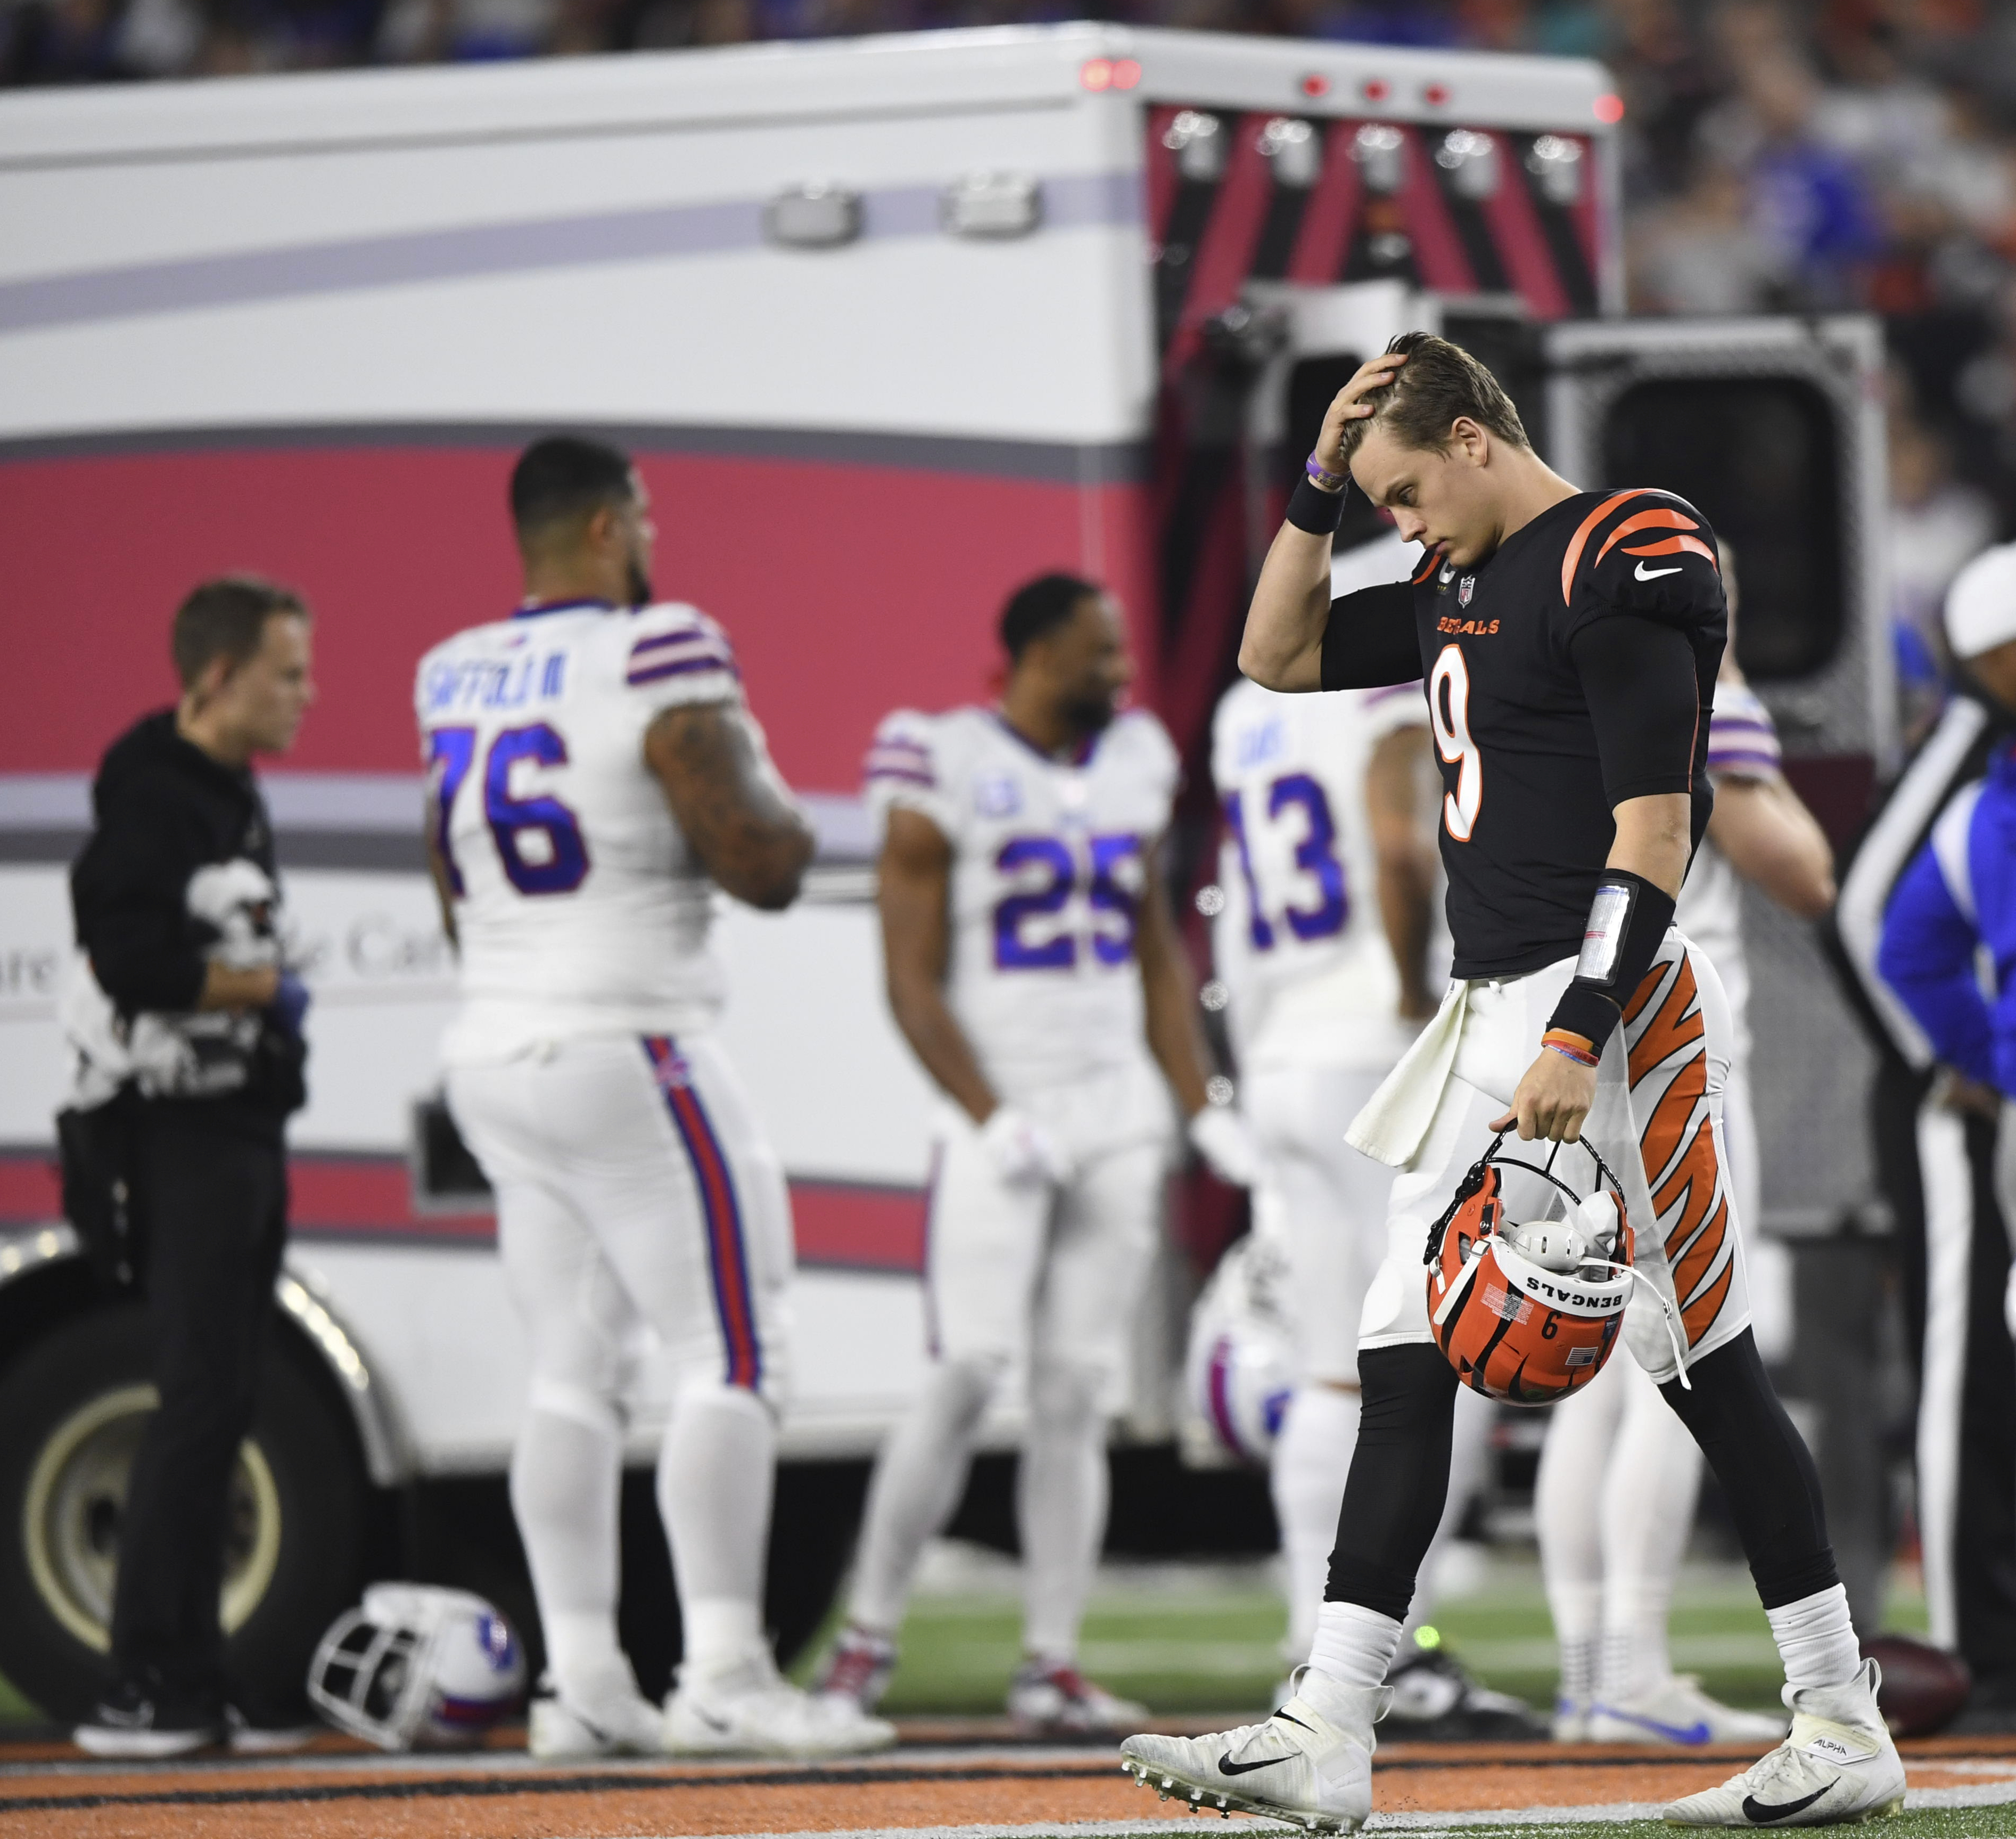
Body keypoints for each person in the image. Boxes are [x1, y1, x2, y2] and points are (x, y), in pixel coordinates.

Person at [1118, 334, 1908, 1832]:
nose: (1398, 523)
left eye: (1405, 491)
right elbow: (1271, 653)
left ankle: (1839, 1708)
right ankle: (1332, 1720)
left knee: (1704, 1362)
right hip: (1492, 1009)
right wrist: (1315, 485)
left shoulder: (1626, 548)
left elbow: (1657, 832)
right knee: (1405, 1349)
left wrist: (1578, 1026)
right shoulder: (1452, 580)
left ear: (1477, 439)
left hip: (1603, 1009)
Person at [419, 436, 888, 1761]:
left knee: (570, 1367)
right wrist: (774, 794)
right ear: (613, 528)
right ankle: (727, 1667)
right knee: (734, 1352)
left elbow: (447, 868)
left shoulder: (450, 670)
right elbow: (759, 859)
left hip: (497, 1041)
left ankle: (580, 1684)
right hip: (630, 1039)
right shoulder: (657, 647)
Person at [817, 574, 1247, 1733]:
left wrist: (1198, 1097)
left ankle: (1049, 1656)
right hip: (998, 1106)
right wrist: (984, 1108)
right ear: (1033, 654)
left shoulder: (1137, 759)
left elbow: (1154, 946)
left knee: (1075, 1390)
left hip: (1114, 1106)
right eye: (1098, 654)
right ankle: (861, 1645)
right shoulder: (940, 758)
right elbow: (906, 975)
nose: (1118, 675)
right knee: (964, 1372)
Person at [1208, 651, 1535, 1738]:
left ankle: (1320, 1653)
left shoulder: (1243, 704)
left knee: (1327, 1369)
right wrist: (1412, 1001)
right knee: (1428, 1351)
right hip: (1369, 1044)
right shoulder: (1389, 663)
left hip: (1285, 1046)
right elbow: (1399, 844)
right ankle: (1395, 1656)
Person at [1536, 642, 1836, 1747]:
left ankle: (1588, 1673)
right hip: (1673, 1046)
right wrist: (1747, 701)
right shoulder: (1693, 680)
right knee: (1687, 1350)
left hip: (1569, 1032)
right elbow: (1802, 870)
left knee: (1600, 1379)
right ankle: (1631, 1669)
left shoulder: (1550, 671)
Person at [64, 576, 317, 1758]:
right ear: (220, 675)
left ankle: (194, 1681)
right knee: (198, 1399)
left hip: (242, 1125)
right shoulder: (156, 793)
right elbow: (125, 959)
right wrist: (259, 987)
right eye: (288, 672)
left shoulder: (228, 790)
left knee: (231, 1399)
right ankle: (141, 1684)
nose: (305, 695)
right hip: (180, 1136)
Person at [1871, 538, 2016, 1696]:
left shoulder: (2008, 757)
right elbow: (1871, 915)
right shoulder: (1986, 750)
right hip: (1998, 1095)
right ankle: (1995, 1644)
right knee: (2007, 1374)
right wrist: (1956, 1056)